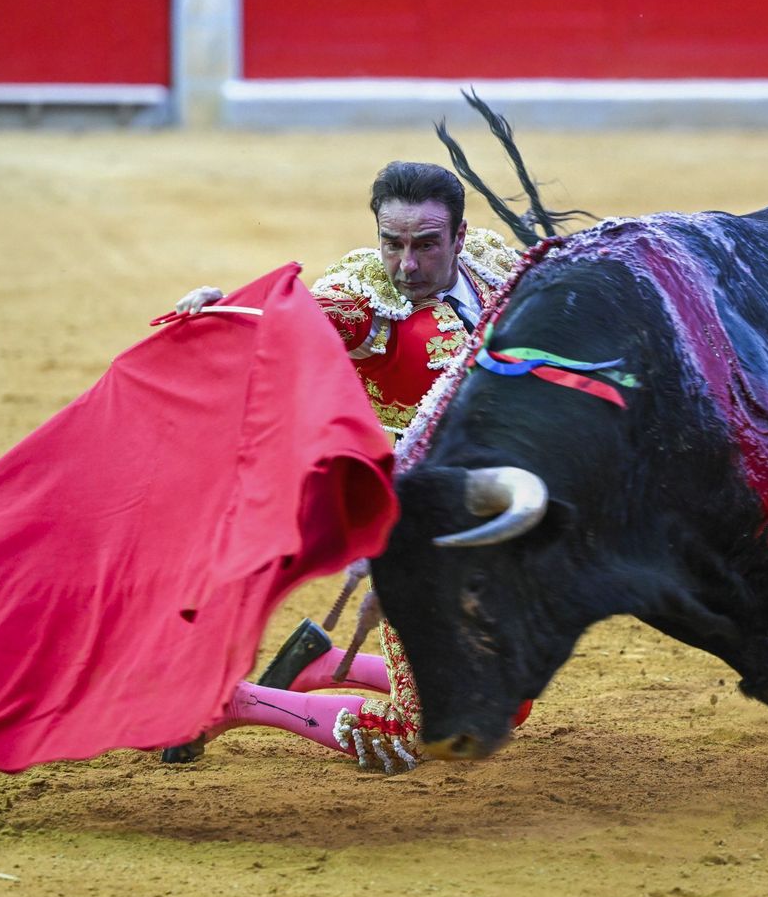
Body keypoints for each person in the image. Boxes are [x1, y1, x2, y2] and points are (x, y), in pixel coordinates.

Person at [163, 162, 523, 773]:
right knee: (416, 735)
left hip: (487, 512)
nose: (406, 264)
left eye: (426, 245)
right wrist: (226, 309)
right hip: (407, 524)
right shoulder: (365, 305)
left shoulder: (489, 264)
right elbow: (291, 319)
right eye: (392, 242)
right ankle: (232, 702)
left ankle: (326, 666)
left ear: (460, 238)